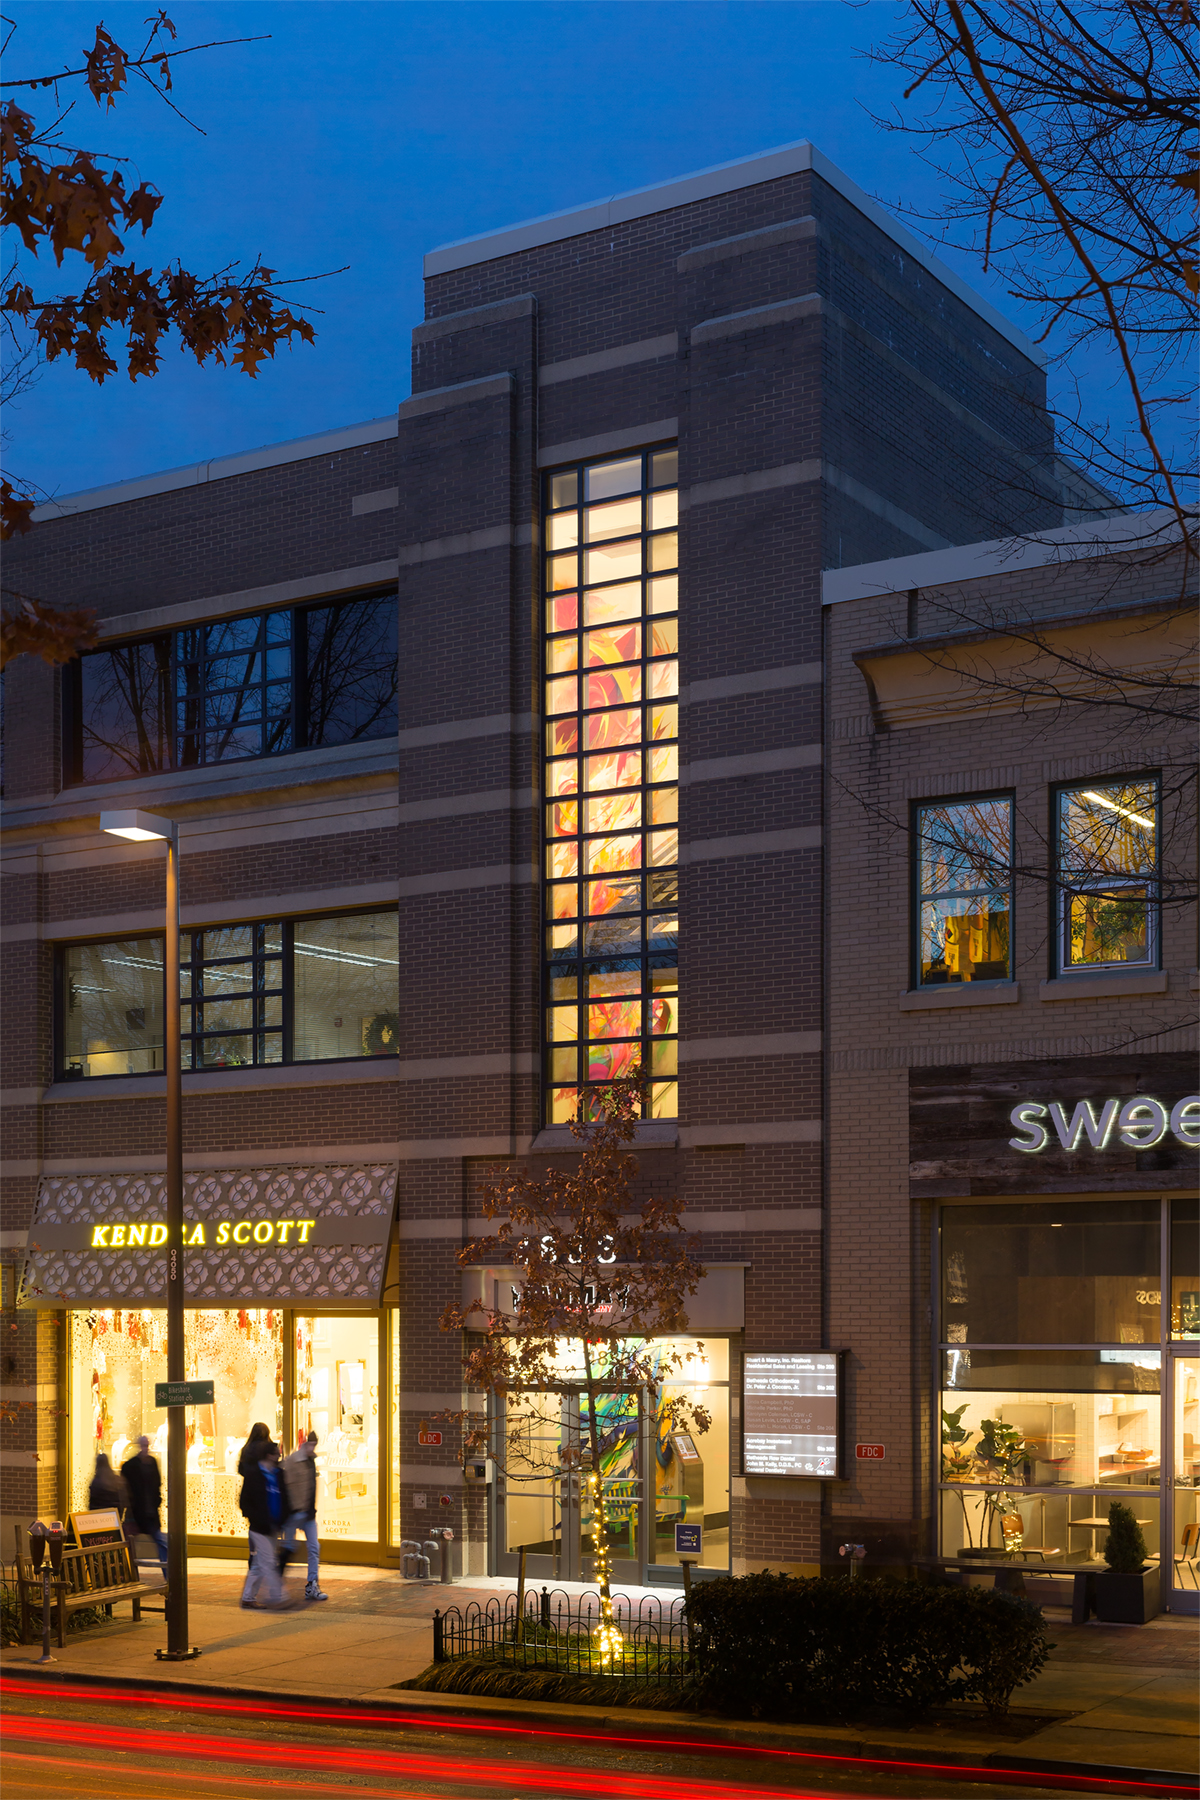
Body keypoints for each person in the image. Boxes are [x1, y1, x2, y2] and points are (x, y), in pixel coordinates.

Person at [239, 1439, 292, 1609]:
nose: (279, 1456)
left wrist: (284, 1518)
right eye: (277, 1453)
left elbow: (284, 1497)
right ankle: (279, 1596)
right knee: (268, 1561)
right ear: (269, 1455)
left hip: (273, 1526)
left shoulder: (278, 1474)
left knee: (258, 1564)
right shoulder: (254, 1474)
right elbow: (244, 1501)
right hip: (259, 1527)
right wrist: (255, 1518)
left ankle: (248, 1597)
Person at [282, 1430, 328, 1603]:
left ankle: (312, 1585)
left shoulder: (311, 1460)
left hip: (307, 1513)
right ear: (305, 1443)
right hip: (294, 1513)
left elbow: (310, 1487)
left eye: (314, 1445)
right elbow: (285, 1487)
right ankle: (276, 1584)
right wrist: (290, 1510)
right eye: (311, 1444)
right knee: (288, 1548)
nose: (312, 1448)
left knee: (314, 1548)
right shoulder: (294, 1460)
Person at [119, 1435, 168, 1579]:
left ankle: (168, 1576)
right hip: (137, 1513)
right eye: (143, 1445)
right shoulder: (131, 1466)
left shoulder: (151, 1463)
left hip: (149, 1513)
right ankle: (125, 1574)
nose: (145, 1448)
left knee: (161, 1543)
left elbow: (157, 1484)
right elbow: (126, 1490)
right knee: (129, 1544)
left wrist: (156, 1501)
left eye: (147, 1445)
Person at [88, 1451, 127, 1516]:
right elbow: (122, 1500)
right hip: (115, 1515)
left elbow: (93, 1504)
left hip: (100, 1516)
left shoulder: (96, 1482)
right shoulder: (117, 1479)